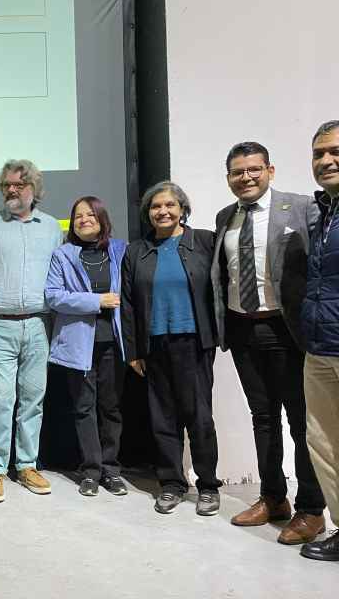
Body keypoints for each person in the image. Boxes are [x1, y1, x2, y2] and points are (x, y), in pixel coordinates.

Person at [211, 142, 325, 544]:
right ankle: (274, 498)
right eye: (237, 172)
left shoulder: (301, 207)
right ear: (228, 178)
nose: (246, 178)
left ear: (269, 171)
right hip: (243, 330)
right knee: (262, 418)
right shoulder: (225, 216)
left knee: (301, 422)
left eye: (253, 169)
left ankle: (311, 509)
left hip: (287, 330)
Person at [121, 181, 221, 515]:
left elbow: (221, 287)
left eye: (169, 205)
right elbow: (128, 304)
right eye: (155, 206)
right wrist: (133, 351)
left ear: (182, 209)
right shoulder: (136, 251)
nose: (162, 211)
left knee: (199, 418)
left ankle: (208, 486)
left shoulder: (204, 241)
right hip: (154, 345)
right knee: (163, 419)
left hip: (194, 342)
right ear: (147, 213)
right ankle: (172, 484)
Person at [0, 159, 62, 503]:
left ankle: (26, 465)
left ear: (34, 189)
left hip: (39, 324)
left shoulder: (51, 227)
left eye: (18, 185)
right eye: (6, 185)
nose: (11, 190)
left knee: (33, 399)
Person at [45, 196, 128, 497]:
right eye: (78, 216)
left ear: (102, 218)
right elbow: (54, 296)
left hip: (114, 342)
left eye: (90, 214)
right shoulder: (63, 255)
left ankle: (111, 470)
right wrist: (97, 301)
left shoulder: (120, 250)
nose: (83, 220)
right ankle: (91, 471)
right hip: (78, 344)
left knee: (111, 408)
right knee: (83, 408)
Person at [300, 120, 339, 562]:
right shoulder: (323, 211)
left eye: (335, 152)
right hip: (318, 346)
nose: (326, 161)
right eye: (318, 154)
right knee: (324, 444)